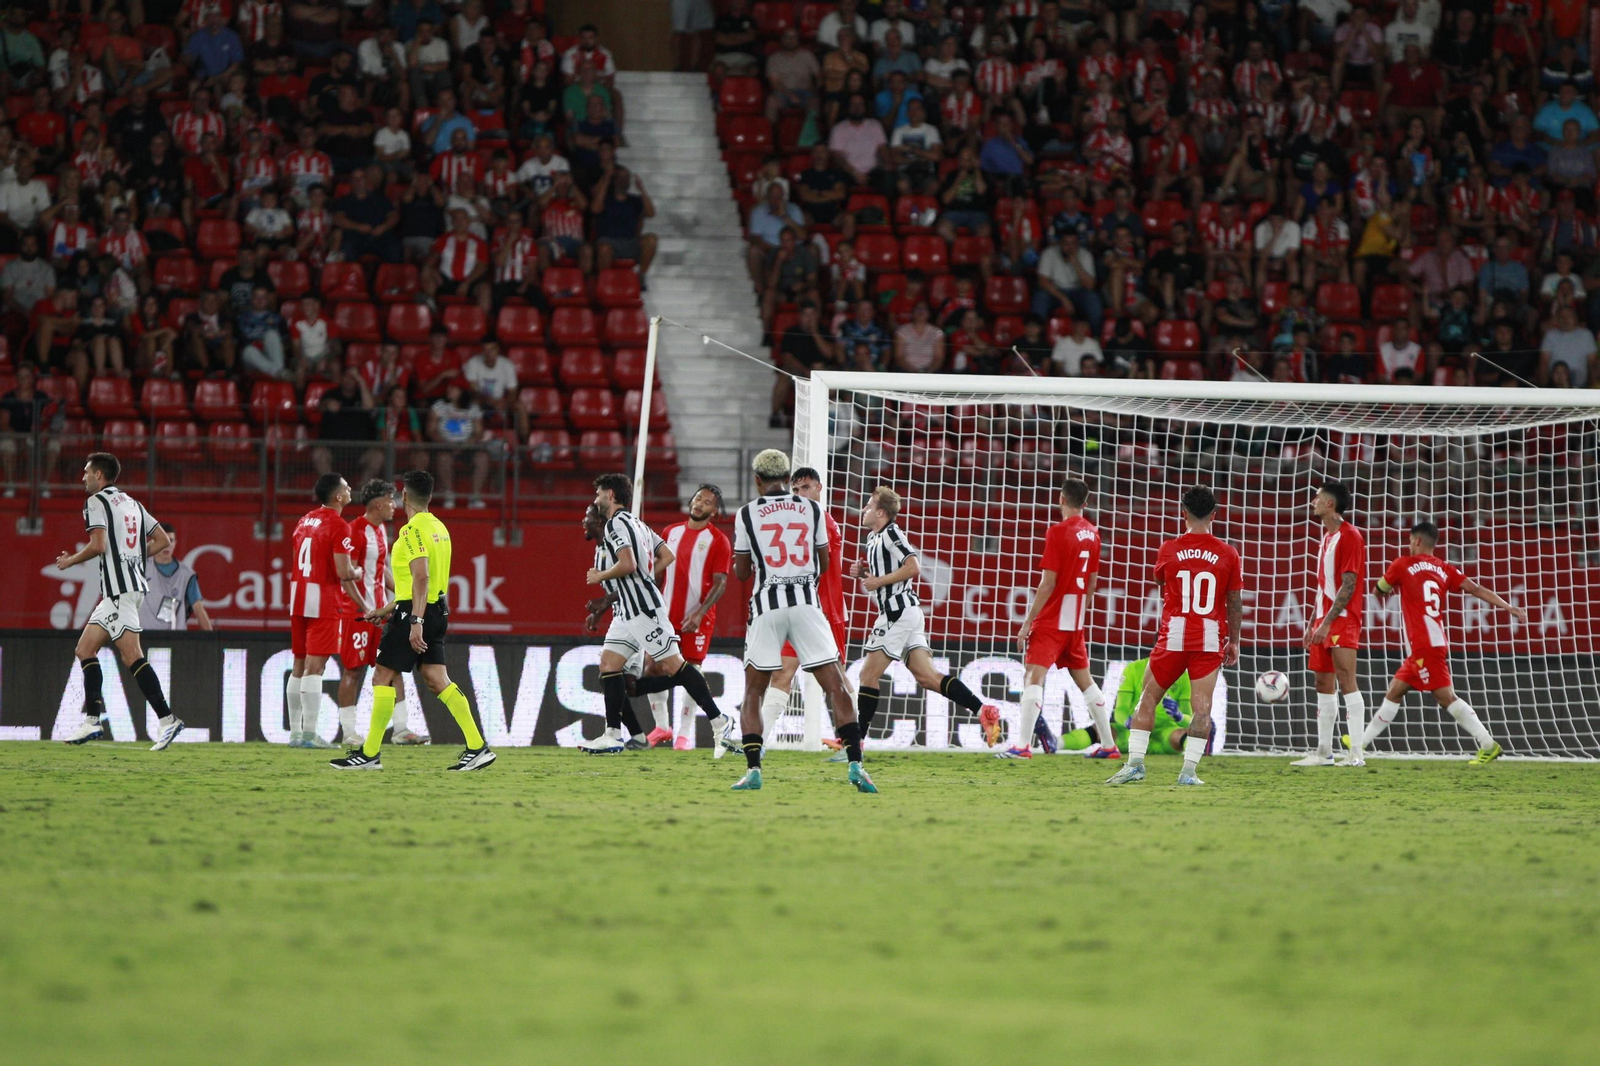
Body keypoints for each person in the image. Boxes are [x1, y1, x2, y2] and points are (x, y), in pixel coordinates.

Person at [729, 449, 875, 792]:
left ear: (757, 480)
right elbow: (824, 563)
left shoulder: (747, 514)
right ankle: (855, 763)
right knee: (836, 684)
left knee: (754, 690)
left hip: (767, 606)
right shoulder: (813, 510)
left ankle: (753, 769)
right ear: (786, 478)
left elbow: (741, 572)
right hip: (808, 605)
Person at [332, 469, 497, 771]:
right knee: (436, 679)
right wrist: (385, 609)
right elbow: (419, 583)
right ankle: (477, 746)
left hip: (415, 614)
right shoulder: (440, 528)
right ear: (430, 496)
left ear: (404, 495)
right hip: (436, 610)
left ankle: (369, 754)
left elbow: (420, 577)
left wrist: (415, 621)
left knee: (382, 674)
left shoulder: (411, 531)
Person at [580, 473, 739, 756]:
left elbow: (627, 564)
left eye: (599, 494)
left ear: (611, 495)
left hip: (642, 609)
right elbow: (667, 555)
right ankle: (613, 734)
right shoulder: (638, 523)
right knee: (609, 665)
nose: (596, 499)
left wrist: (601, 575)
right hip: (627, 611)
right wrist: (644, 574)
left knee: (673, 666)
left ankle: (720, 720)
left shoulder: (615, 524)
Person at [1348, 522, 1528, 766]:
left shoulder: (1402, 564)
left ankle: (1488, 744)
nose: (1409, 545)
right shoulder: (1444, 569)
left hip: (1423, 645)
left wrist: (1384, 590)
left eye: (1411, 541)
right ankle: (1360, 742)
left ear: (1418, 541)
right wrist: (1507, 606)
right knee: (1394, 692)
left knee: (1446, 697)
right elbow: (1475, 589)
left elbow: (1379, 589)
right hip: (1431, 641)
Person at [1106, 486, 1241, 786]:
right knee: (1202, 707)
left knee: (1148, 697)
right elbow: (1233, 600)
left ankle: (1135, 765)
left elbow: (1159, 578)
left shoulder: (1169, 548)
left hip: (1175, 634)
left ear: (1183, 513)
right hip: (1209, 636)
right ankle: (1189, 773)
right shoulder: (1228, 553)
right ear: (1214, 515)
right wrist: (1235, 640)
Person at [851, 485, 999, 758]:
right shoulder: (873, 537)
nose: (864, 509)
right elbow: (886, 572)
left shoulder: (891, 532)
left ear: (881, 512)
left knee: (867, 675)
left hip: (898, 613)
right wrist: (865, 572)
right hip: (907, 614)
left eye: (869, 506)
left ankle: (854, 743)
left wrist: (878, 581)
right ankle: (983, 710)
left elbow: (913, 566)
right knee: (928, 678)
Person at [57, 452, 186, 750]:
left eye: (87, 472)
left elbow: (99, 544)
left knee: (132, 657)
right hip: (124, 590)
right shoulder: (133, 503)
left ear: (99, 476)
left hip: (119, 592)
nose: (83, 477)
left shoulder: (96, 502)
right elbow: (162, 540)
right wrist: (132, 560)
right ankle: (92, 720)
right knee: (85, 649)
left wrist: (71, 561)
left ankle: (167, 720)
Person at [1010, 478, 1118, 759]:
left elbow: (1048, 583)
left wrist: (1027, 623)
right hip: (1075, 617)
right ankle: (1108, 745)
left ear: (1061, 498)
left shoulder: (1058, 532)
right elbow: (1093, 583)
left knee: (1033, 675)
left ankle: (1022, 745)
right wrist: (1080, 614)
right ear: (1085, 502)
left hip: (1052, 617)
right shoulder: (1094, 534)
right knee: (1086, 681)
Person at [628, 484, 732, 749]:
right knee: (652, 667)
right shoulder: (670, 532)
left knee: (690, 672)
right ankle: (661, 727)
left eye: (707, 502)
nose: (699, 504)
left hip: (696, 618)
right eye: (698, 498)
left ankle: (684, 734)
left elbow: (720, 582)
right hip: (664, 614)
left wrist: (700, 612)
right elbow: (658, 571)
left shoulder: (719, 541)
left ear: (715, 511)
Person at [760, 466, 852, 757]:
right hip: (797, 610)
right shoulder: (796, 522)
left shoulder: (823, 522)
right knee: (781, 673)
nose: (800, 494)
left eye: (806, 488)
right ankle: (757, 742)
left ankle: (852, 742)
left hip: (825, 614)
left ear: (819, 488)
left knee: (836, 681)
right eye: (796, 489)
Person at [335, 478, 430, 749]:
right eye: (390, 501)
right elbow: (347, 577)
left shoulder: (378, 532)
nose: (394, 506)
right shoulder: (354, 531)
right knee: (352, 671)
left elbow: (380, 571)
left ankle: (401, 729)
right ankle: (349, 732)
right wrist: (365, 608)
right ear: (377, 504)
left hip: (378, 612)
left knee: (393, 667)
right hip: (358, 613)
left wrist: (403, 593)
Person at [286, 473, 372, 749]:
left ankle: (296, 734)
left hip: (298, 595)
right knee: (316, 666)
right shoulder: (339, 525)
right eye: (347, 488)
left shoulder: (304, 520)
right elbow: (343, 571)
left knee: (299, 664)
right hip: (322, 599)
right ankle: (310, 734)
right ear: (338, 497)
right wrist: (358, 570)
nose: (350, 490)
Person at [1293, 481, 1368, 767]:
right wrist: (1314, 621)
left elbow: (1348, 585)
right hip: (1325, 621)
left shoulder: (1350, 536)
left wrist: (1328, 623)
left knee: (1347, 681)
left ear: (1329, 504)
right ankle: (1324, 752)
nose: (1313, 502)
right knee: (1323, 682)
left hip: (1343, 621)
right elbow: (1324, 585)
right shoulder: (1326, 538)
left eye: (1317, 498)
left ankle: (1357, 753)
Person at [1061, 658, 1196, 757]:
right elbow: (1120, 710)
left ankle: (1196, 754)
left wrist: (1179, 716)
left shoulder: (1183, 676)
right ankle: (1056, 743)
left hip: (1165, 735)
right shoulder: (1135, 669)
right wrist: (1128, 721)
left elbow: (1188, 721)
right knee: (1101, 730)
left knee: (1181, 734)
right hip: (1132, 734)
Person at [138, 522, 214, 631]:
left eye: (171, 541)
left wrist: (212, 641)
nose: (167, 545)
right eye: (163, 541)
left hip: (174, 639)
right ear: (153, 542)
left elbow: (198, 609)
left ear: (175, 543)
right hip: (145, 637)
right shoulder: (140, 568)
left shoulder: (186, 575)